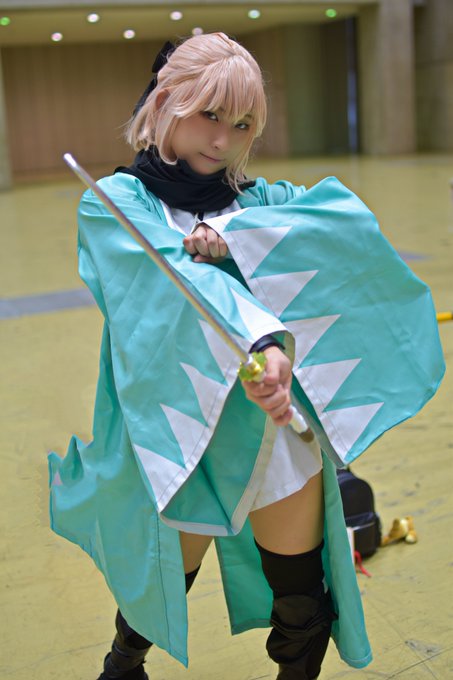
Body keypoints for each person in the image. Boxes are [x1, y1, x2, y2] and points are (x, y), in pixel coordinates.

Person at [49, 32, 443, 680]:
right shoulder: (116, 204)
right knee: (157, 585)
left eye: (240, 124)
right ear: (166, 102)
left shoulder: (256, 203)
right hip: (179, 430)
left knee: (302, 600)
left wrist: (234, 233)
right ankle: (122, 668)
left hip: (272, 428)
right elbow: (169, 284)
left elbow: (342, 224)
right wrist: (259, 340)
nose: (222, 140)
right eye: (209, 114)